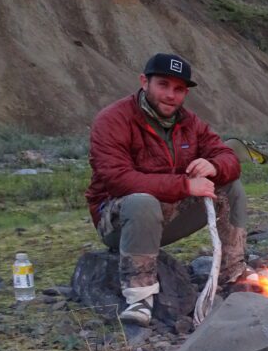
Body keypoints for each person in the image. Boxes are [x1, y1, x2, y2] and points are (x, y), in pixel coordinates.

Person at [85, 52, 249, 325]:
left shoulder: (189, 122)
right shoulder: (113, 120)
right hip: (118, 221)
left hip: (166, 215)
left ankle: (233, 272)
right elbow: (118, 179)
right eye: (163, 85)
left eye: (179, 89)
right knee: (142, 202)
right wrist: (185, 185)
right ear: (144, 82)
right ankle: (140, 297)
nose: (171, 95)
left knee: (230, 186)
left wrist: (214, 166)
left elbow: (228, 157)